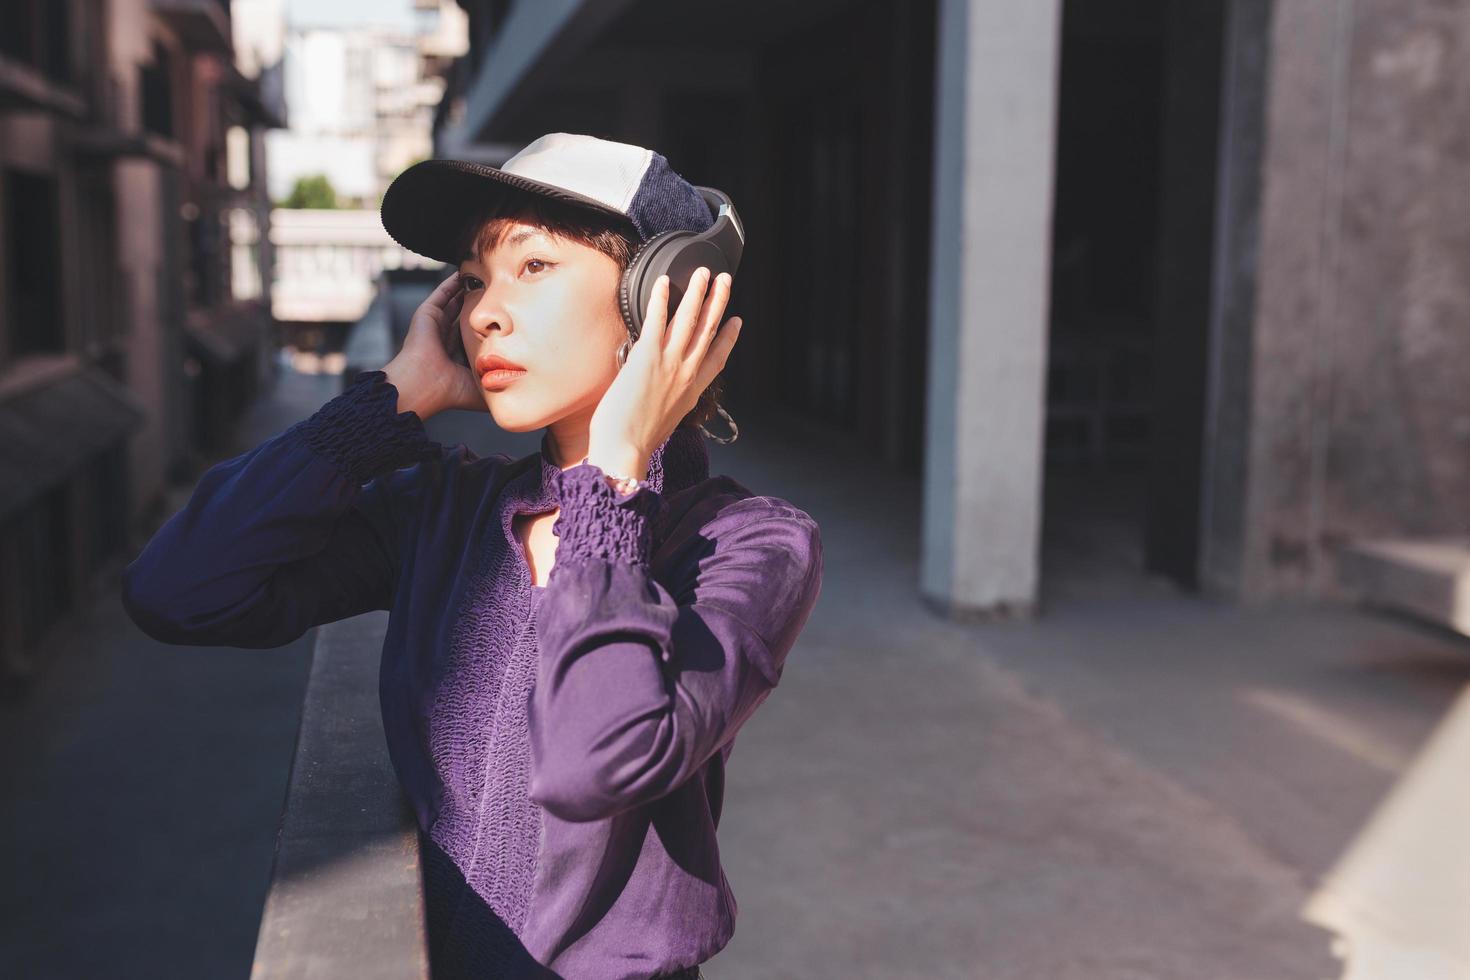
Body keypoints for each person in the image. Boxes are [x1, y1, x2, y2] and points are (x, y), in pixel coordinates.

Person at [121, 132, 825, 979]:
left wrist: (611, 480)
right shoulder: (444, 510)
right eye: (474, 279)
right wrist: (387, 407)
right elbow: (178, 589)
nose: (485, 310)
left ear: (660, 296)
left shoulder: (748, 547)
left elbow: (595, 763)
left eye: (531, 268)